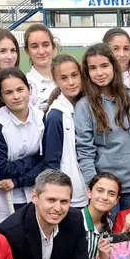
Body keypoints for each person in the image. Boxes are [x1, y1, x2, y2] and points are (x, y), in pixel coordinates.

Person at [74, 43, 130, 214]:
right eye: (93, 68)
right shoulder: (84, 106)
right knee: (110, 238)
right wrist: (95, 188)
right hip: (105, 191)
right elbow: (85, 151)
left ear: (114, 67)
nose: (100, 73)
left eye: (104, 66)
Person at [0, 67, 44, 223]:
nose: (16, 96)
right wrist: (33, 160)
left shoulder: (41, 118)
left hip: (36, 195)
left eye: (20, 89)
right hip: (5, 202)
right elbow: (1, 168)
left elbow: (47, 161)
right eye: (9, 92)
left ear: (29, 89)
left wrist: (18, 179)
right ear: (1, 96)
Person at [39, 53, 88, 210]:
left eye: (75, 75)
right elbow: (52, 161)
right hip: (71, 193)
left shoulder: (87, 105)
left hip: (90, 186)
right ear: (56, 81)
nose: (71, 82)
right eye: (64, 78)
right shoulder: (56, 115)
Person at [23, 23, 59, 113]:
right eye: (34, 46)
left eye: (45, 45)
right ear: (27, 51)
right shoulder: (25, 84)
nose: (41, 51)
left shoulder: (68, 77)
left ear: (53, 47)